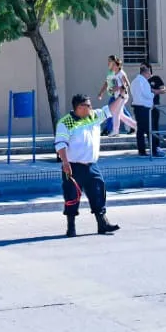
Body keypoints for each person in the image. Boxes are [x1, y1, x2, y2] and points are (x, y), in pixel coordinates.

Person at [56, 94, 120, 238]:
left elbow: (109, 110)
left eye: (90, 105)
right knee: (71, 196)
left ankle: (102, 223)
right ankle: (71, 227)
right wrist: (65, 162)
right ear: (79, 107)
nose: (91, 108)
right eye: (88, 106)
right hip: (73, 166)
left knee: (98, 192)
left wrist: (121, 96)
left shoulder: (93, 116)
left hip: (91, 165)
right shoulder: (66, 123)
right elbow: (61, 144)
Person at [96, 55, 135, 137]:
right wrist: (113, 89)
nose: (112, 66)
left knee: (116, 113)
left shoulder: (121, 73)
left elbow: (127, 84)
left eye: (114, 65)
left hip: (122, 96)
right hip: (118, 96)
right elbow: (111, 84)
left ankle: (115, 131)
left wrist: (118, 88)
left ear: (117, 65)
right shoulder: (114, 73)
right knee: (121, 115)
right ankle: (136, 126)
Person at [130, 61, 157, 156]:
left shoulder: (134, 81)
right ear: (145, 72)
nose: (150, 74)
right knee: (150, 129)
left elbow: (133, 93)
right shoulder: (144, 82)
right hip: (144, 108)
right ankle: (153, 150)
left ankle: (141, 151)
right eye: (149, 72)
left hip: (137, 107)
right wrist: (153, 94)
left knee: (140, 130)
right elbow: (147, 95)